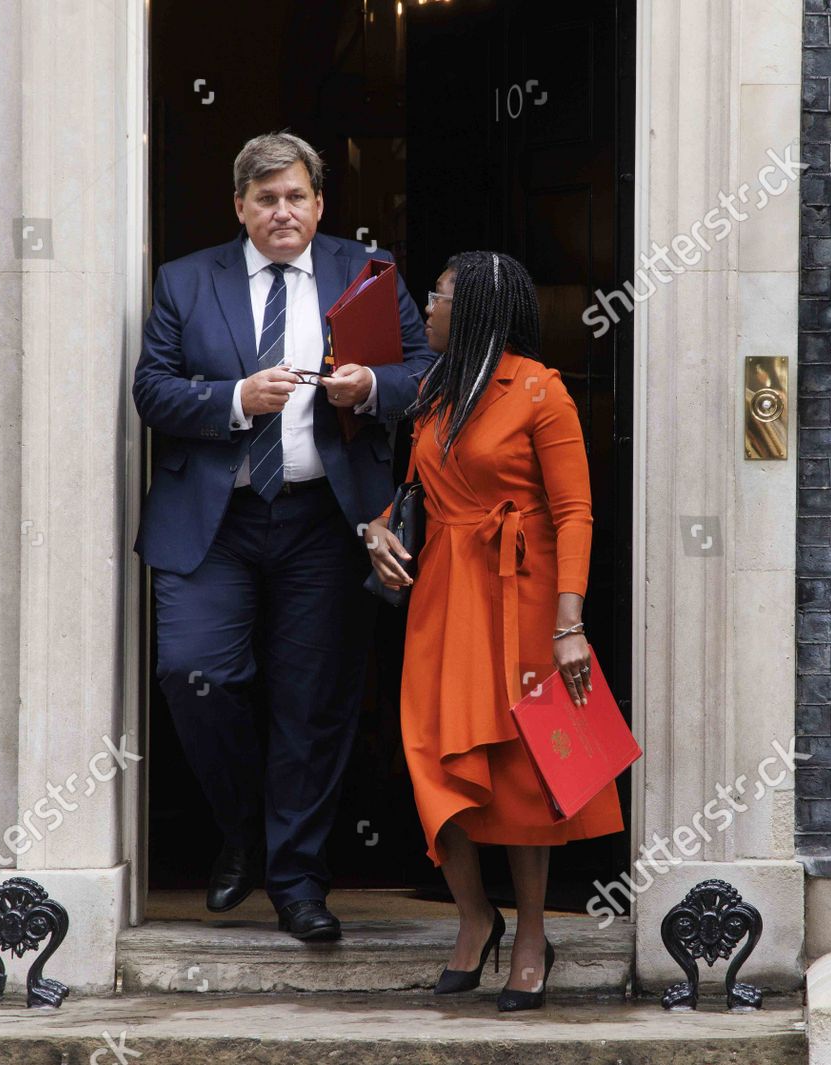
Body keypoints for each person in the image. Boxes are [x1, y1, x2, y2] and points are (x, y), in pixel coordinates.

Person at [133, 132, 435, 941]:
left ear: (319, 203)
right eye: (265, 199)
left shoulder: (366, 274)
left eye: (296, 196)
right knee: (194, 672)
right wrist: (234, 398)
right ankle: (243, 831)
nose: (282, 212)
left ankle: (299, 881)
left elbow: (424, 374)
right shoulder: (186, 281)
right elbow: (152, 390)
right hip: (216, 520)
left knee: (315, 705)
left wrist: (370, 385)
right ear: (240, 207)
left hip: (327, 522)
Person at [363, 251, 623, 1009]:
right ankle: (477, 915)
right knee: (431, 752)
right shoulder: (434, 390)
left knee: (521, 770)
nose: (425, 309)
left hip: (523, 600)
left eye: (437, 298)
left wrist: (569, 624)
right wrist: (377, 531)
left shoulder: (540, 389)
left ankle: (535, 932)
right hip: (443, 594)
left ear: (471, 309)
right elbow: (416, 493)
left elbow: (575, 511)